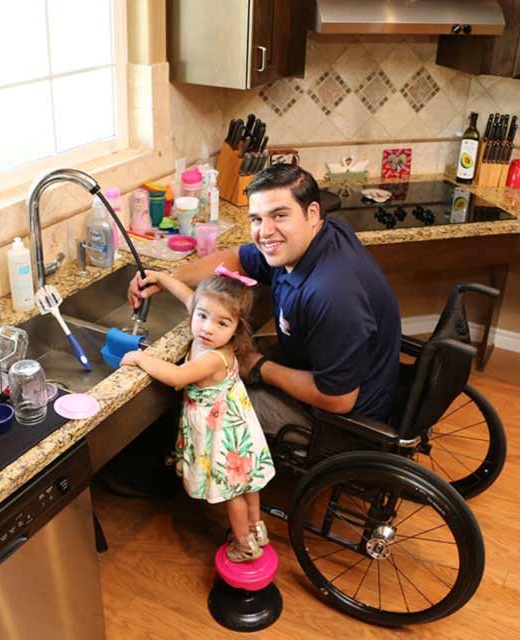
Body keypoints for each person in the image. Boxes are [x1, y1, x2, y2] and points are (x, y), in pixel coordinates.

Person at [129, 163, 401, 435]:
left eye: (280, 215)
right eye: (257, 219)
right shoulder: (314, 238)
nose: (265, 232)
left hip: (342, 425)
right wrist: (168, 276)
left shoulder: (332, 293)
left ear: (312, 213)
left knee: (214, 403)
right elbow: (239, 258)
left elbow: (339, 399)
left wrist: (259, 367)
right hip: (317, 368)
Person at [121, 265, 275, 562]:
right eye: (201, 317)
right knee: (249, 483)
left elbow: (177, 377)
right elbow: (190, 298)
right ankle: (257, 529)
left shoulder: (213, 357)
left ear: (237, 329)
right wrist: (163, 279)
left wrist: (141, 357)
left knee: (233, 494)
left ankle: (243, 544)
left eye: (221, 323)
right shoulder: (212, 329)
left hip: (223, 439)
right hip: (238, 429)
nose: (206, 328)